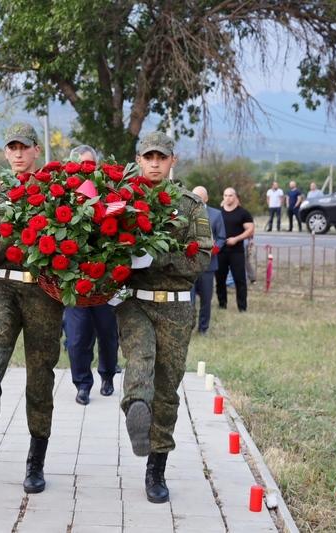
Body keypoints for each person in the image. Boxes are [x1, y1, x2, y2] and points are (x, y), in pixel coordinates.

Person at [114, 131, 212, 504]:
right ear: (138, 160)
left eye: (161, 157)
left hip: (175, 306)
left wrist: (158, 257)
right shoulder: (122, 201)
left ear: (173, 161)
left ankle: (156, 468)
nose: (154, 163)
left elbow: (201, 259)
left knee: (168, 388)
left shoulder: (189, 206)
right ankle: (136, 408)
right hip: (135, 301)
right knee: (140, 357)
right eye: (148, 157)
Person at [0, 122, 64, 494]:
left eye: (24, 147)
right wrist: (15, 235)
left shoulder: (57, 192)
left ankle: (35, 460)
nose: (18, 154)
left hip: (44, 291)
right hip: (5, 284)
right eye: (12, 148)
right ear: (6, 153)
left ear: (36, 150)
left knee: (40, 377)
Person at [63, 144, 119, 405]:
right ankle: (82, 384)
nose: (85, 169)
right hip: (75, 281)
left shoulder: (108, 193)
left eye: (89, 164)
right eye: (80, 165)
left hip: (104, 280)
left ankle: (107, 375)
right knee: (76, 338)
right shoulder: (62, 196)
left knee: (108, 335)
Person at [190, 186, 226, 335]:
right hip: (189, 265)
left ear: (206, 198)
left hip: (208, 265)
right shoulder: (186, 212)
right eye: (194, 196)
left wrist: (214, 249)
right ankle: (188, 327)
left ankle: (203, 328)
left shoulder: (216, 215)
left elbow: (222, 237)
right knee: (189, 299)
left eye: (200, 196)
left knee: (206, 299)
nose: (197, 199)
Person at [216, 188, 255, 311]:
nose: (228, 198)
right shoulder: (218, 213)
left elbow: (250, 229)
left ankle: (242, 307)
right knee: (220, 280)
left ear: (235, 197)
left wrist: (236, 239)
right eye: (225, 195)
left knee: (240, 280)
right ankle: (222, 305)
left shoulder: (243, 213)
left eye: (230, 195)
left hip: (236, 251)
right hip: (220, 251)